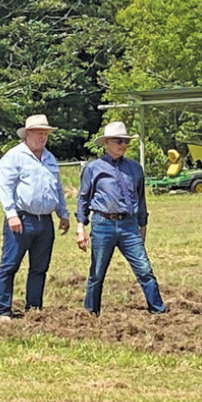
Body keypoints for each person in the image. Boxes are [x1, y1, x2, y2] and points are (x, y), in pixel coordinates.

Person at [75, 121, 166, 316]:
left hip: (129, 225)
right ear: (107, 142)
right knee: (97, 272)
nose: (123, 145)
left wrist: (142, 227)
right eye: (118, 141)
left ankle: (158, 311)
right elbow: (83, 199)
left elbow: (141, 200)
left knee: (144, 269)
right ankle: (91, 313)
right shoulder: (93, 169)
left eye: (125, 141)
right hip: (102, 223)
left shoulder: (135, 168)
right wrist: (80, 228)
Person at [0, 114, 71, 321]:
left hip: (45, 220)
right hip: (22, 217)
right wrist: (11, 214)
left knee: (40, 267)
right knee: (10, 264)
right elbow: (5, 187)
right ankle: (3, 310)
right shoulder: (14, 157)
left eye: (45, 134)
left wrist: (62, 213)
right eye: (39, 133)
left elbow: (57, 188)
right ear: (28, 133)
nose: (42, 137)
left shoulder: (49, 158)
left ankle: (34, 308)